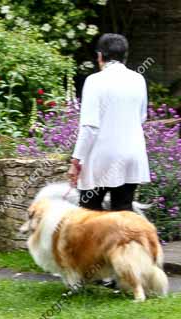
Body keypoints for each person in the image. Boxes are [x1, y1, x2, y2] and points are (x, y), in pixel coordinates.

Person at [69, 33, 150, 211]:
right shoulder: (138, 80)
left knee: (90, 216)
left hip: (102, 159)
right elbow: (141, 117)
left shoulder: (94, 81)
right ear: (125, 55)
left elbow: (90, 127)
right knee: (123, 214)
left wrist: (76, 160)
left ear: (100, 56)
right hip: (132, 156)